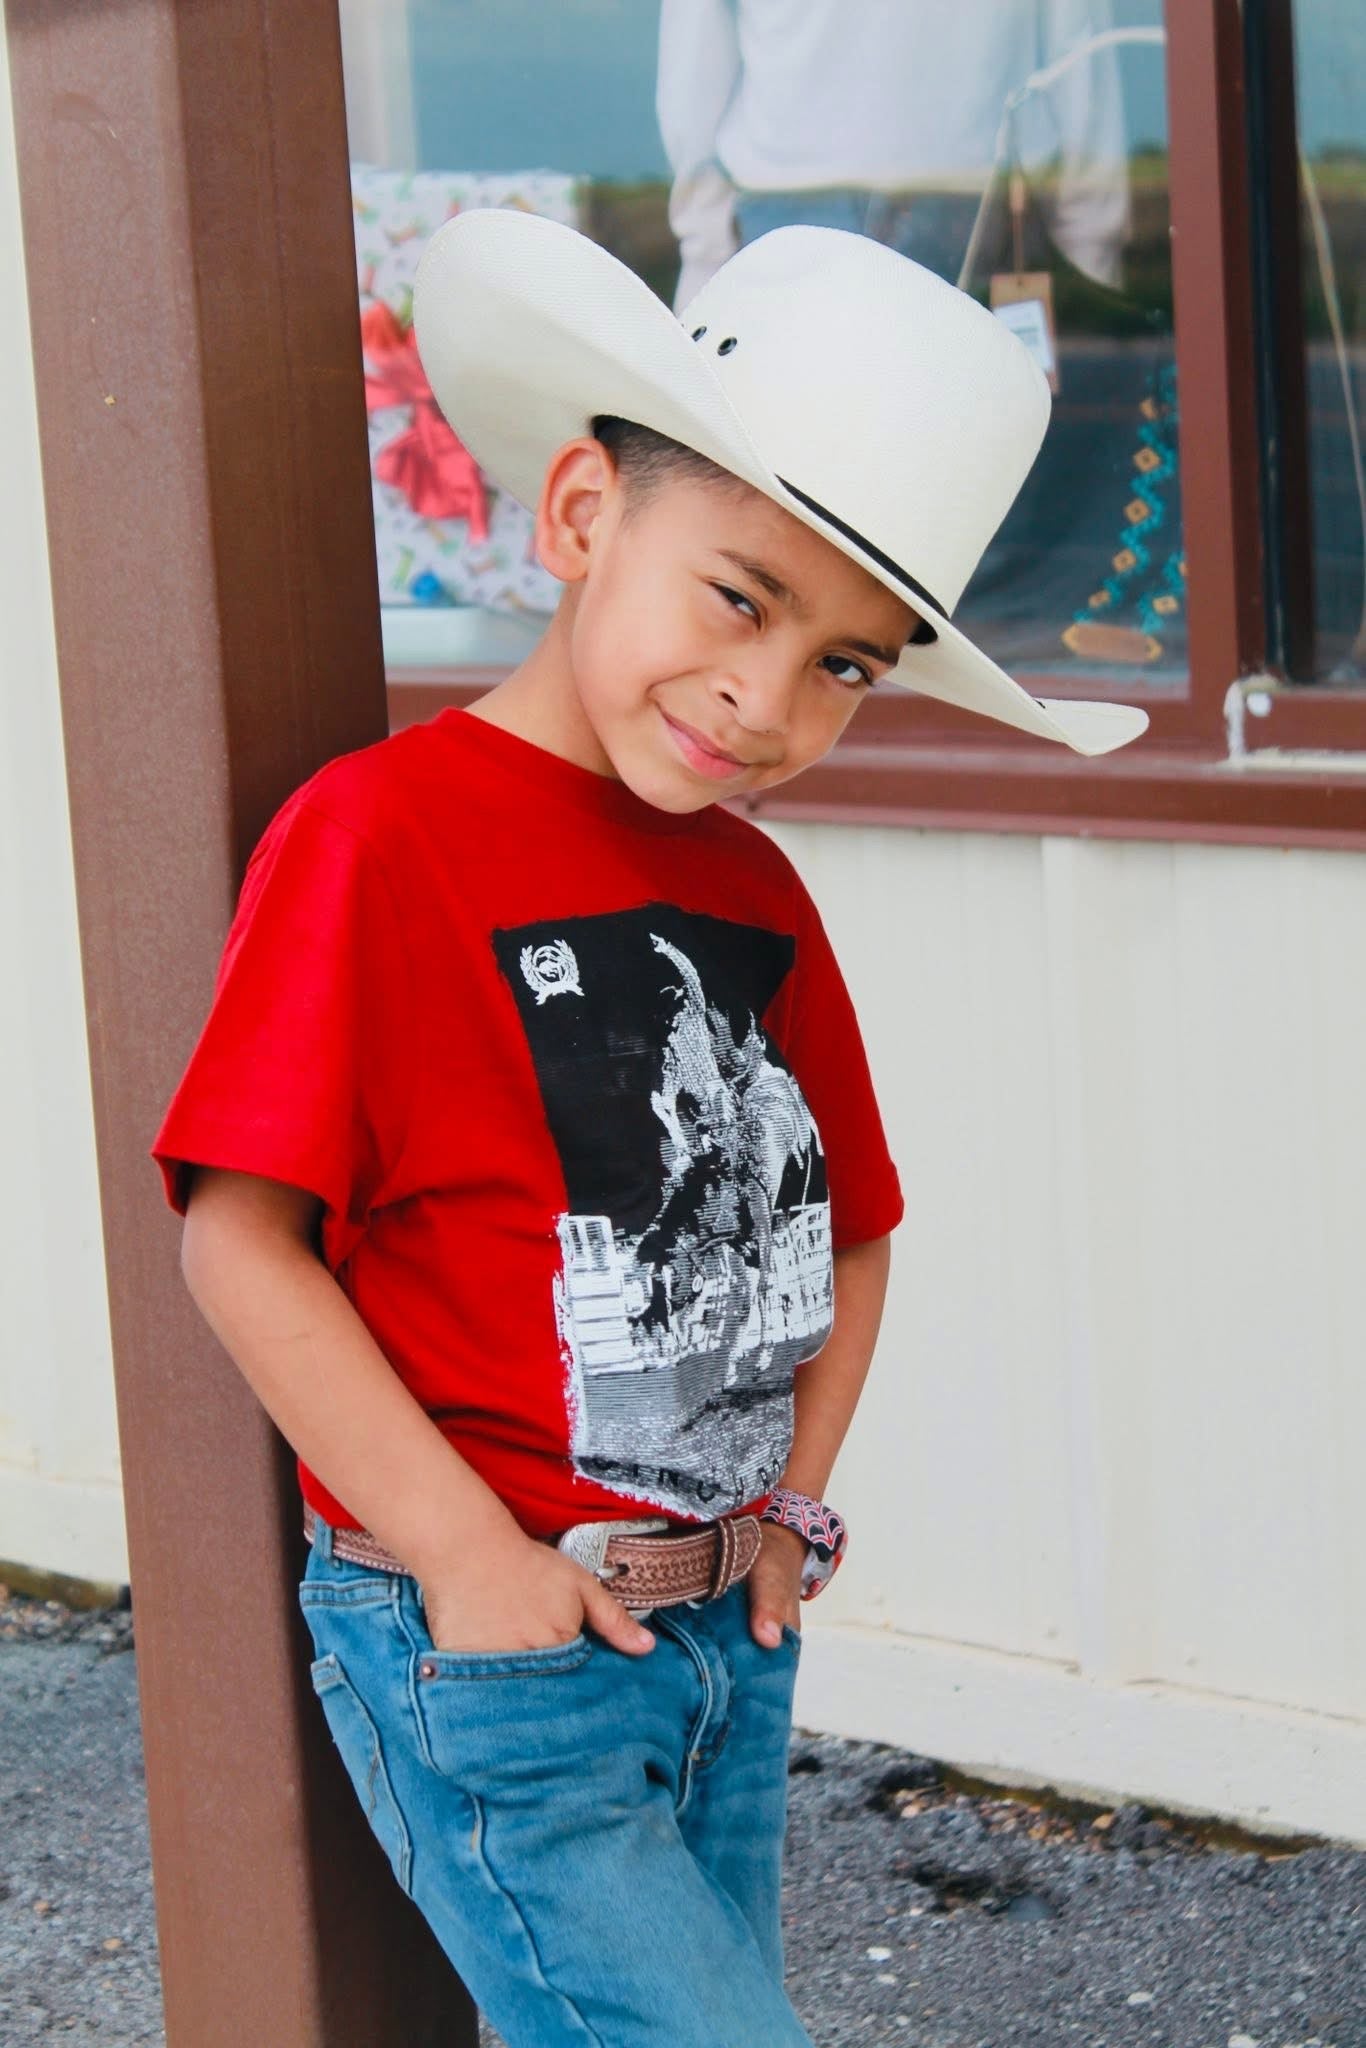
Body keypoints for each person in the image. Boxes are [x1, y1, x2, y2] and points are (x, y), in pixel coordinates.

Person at [151, 211, 1145, 2046]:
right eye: (741, 599)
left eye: (847, 665)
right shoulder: (379, 840)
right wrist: (462, 1552)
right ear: (585, 516)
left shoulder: (759, 896)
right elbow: (239, 1230)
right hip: (502, 1638)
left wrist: (791, 1511)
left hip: (728, 1633)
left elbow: (845, 1229)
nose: (767, 702)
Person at [657, 0, 1131, 308]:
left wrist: (705, 256)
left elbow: (692, 86)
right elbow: (1081, 60)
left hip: (960, 210)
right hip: (958, 207)